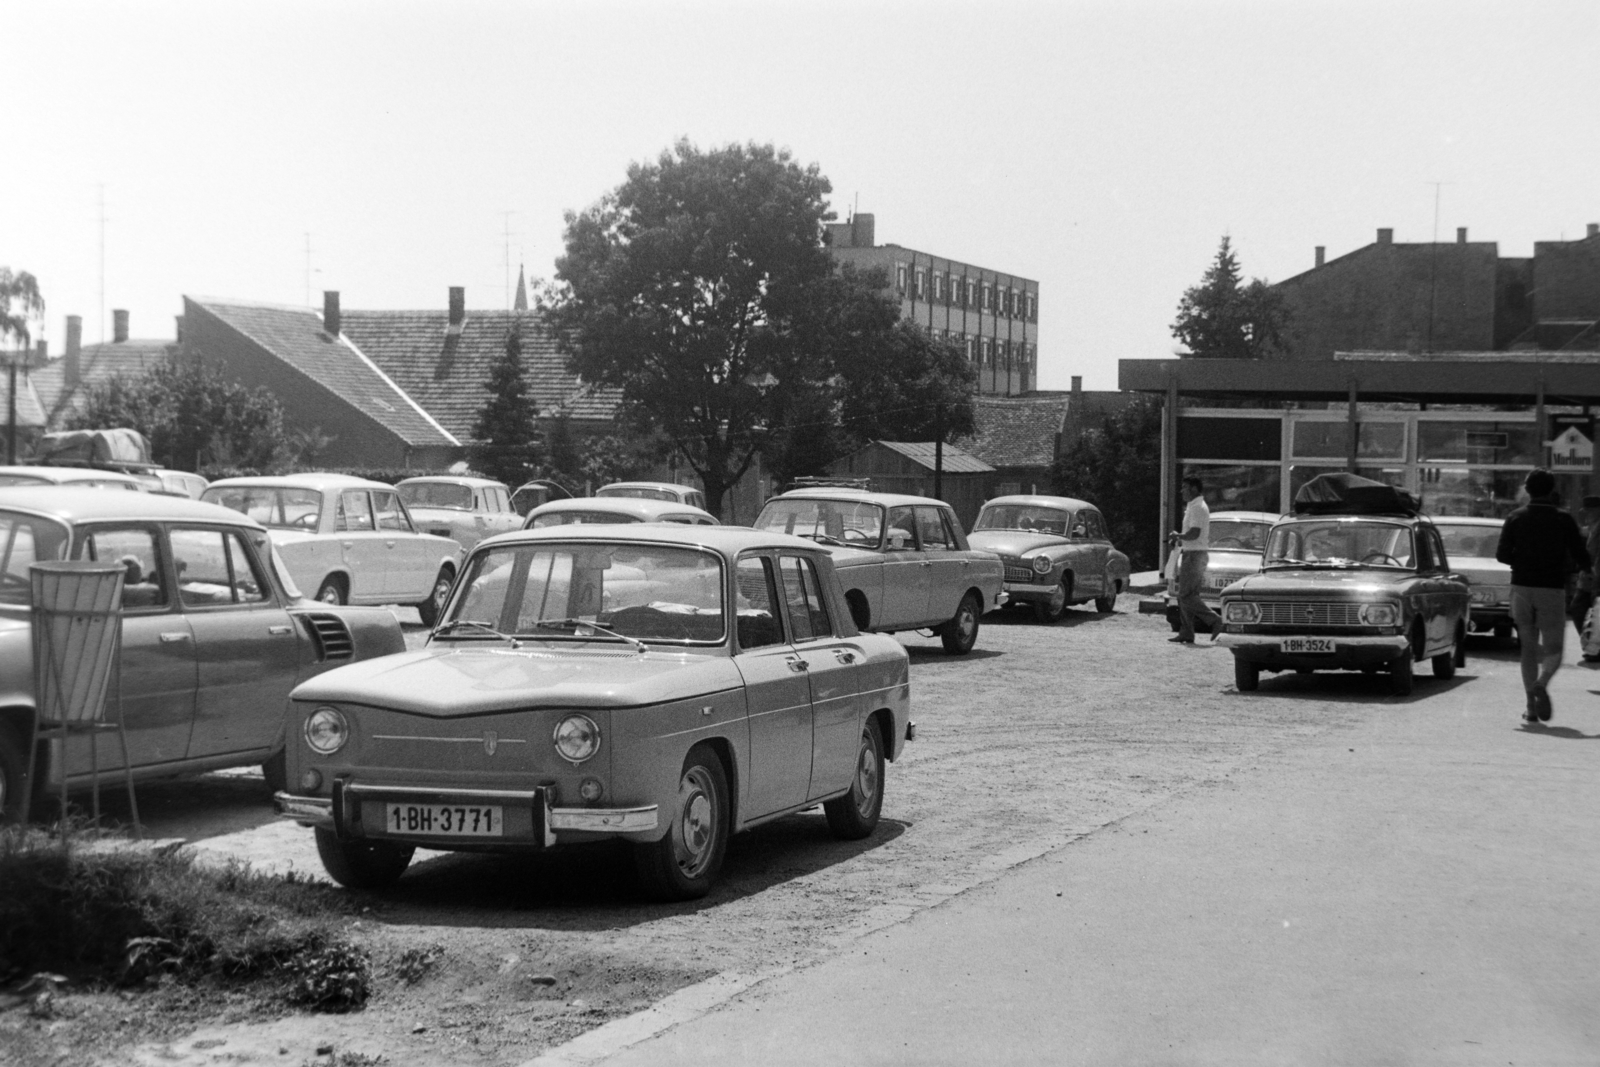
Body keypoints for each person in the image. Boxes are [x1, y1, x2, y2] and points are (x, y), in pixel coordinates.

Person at [1497, 469, 1591, 724]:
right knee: (1554, 649)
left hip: (1522, 588)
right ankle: (1542, 682)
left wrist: (1524, 561)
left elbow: (1502, 555)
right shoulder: (1563, 519)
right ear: (1551, 490)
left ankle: (1530, 708)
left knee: (1528, 648)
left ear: (1527, 490)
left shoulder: (1515, 517)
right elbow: (1581, 555)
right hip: (1551, 589)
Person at [1168, 475, 1222, 644]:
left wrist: (1178, 536)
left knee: (1185, 595)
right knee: (1189, 594)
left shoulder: (1198, 507)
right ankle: (1187, 632)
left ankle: (1216, 621)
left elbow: (1194, 533)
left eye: (1184, 487)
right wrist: (1180, 538)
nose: (1182, 491)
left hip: (1195, 554)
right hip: (1192, 553)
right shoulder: (1194, 506)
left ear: (1193, 489)